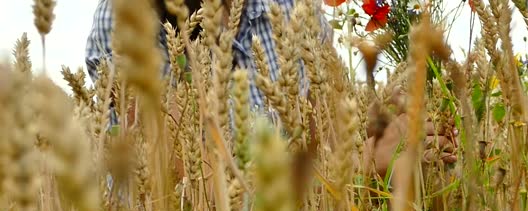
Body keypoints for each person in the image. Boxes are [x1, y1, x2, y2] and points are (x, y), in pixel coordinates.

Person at [84, 0, 457, 179]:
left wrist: (385, 134)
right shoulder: (126, 17)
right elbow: (192, 187)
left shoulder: (293, 7)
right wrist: (364, 164)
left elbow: (325, 142)